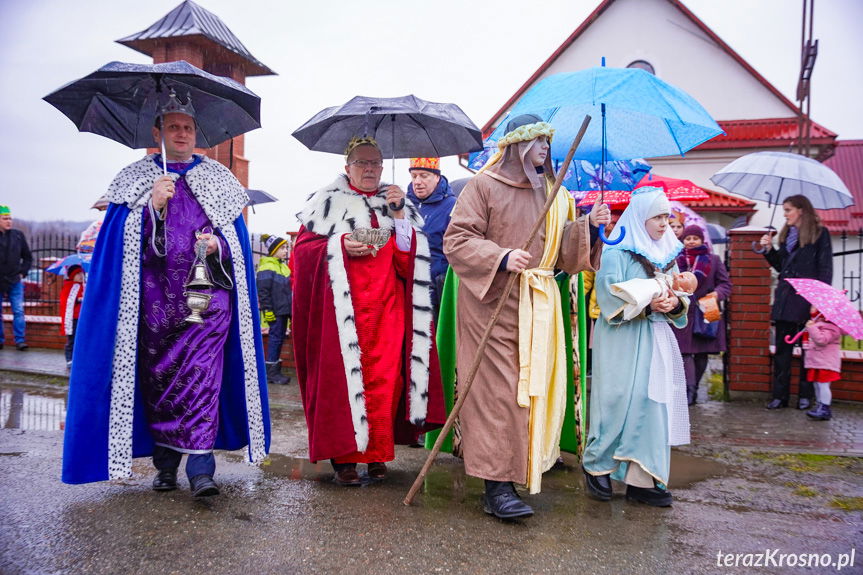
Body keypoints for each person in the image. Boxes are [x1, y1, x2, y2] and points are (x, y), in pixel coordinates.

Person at [62, 92, 270, 497]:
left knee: (203, 381)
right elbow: (119, 248)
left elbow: (238, 244)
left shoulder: (218, 179)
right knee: (162, 387)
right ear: (158, 132)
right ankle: (166, 465)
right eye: (173, 127)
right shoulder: (136, 180)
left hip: (207, 304)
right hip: (155, 311)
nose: (182, 134)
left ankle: (202, 469)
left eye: (188, 128)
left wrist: (218, 246)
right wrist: (153, 209)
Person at [442, 114, 609, 519]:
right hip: (492, 305)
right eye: (538, 142)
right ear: (517, 145)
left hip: (538, 305)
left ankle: (522, 470)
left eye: (548, 142)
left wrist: (589, 227)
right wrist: (500, 256)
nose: (545, 149)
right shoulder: (484, 185)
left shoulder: (556, 193)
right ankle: (497, 486)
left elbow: (563, 254)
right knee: (498, 394)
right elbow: (457, 239)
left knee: (531, 391)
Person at [291, 136, 445, 486]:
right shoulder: (326, 202)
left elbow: (410, 261)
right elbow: (303, 253)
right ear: (348, 168)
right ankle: (344, 458)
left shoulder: (395, 202)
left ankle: (377, 454)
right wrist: (340, 244)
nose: (370, 169)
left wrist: (400, 214)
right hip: (341, 315)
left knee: (386, 384)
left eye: (375, 162)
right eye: (362, 163)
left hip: (387, 313)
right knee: (342, 386)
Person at [582, 186, 689, 508]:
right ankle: (597, 465)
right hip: (621, 339)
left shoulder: (667, 253)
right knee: (616, 401)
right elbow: (607, 298)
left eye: (667, 217)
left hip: (655, 339)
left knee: (651, 404)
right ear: (641, 217)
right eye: (657, 217)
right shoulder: (615, 252)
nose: (664, 224)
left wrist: (673, 303)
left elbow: (678, 293)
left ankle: (642, 478)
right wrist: (645, 304)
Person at [759, 194, 832, 411]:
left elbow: (825, 268)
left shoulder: (820, 234)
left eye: (788, 210)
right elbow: (781, 267)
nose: (785, 214)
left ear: (801, 210)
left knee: (808, 352)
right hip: (785, 299)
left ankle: (805, 396)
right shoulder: (786, 235)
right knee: (783, 351)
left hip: (807, 300)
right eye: (784, 210)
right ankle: (779, 396)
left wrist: (819, 300)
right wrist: (769, 250)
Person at [673, 224, 732, 405]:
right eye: (688, 238)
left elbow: (725, 284)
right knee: (685, 353)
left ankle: (696, 387)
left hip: (707, 308)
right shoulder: (675, 260)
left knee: (702, 353)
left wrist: (715, 294)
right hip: (683, 310)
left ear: (702, 240)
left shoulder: (713, 260)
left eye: (695, 238)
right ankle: (689, 391)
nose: (691, 241)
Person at [406, 157, 457, 321]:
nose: (417, 182)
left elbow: (457, 249)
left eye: (424, 175)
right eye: (414, 176)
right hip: (407, 287)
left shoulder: (453, 206)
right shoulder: (404, 206)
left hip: (437, 291)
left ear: (437, 176)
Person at [257, 234, 292, 385]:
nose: (286, 251)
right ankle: (271, 373)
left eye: (286, 248)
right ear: (274, 250)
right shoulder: (267, 266)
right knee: (275, 340)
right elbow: (263, 292)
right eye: (282, 248)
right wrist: (267, 311)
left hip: (284, 311)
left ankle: (275, 371)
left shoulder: (284, 267)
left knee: (279, 340)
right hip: (275, 312)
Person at [0, 205, 32, 351]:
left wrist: (22, 273)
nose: (9, 221)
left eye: (10, 218)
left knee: (18, 310)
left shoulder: (18, 235)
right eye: (5, 218)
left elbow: (27, 257)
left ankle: (20, 340)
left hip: (15, 280)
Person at [802, 308, 841, 421]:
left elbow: (821, 340)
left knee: (823, 385)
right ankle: (819, 405)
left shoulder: (831, 328)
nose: (812, 308)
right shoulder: (819, 324)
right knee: (817, 384)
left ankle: (825, 407)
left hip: (825, 362)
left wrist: (811, 328)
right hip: (817, 361)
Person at [59, 264, 85, 368]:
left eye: (81, 273)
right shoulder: (69, 286)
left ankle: (80, 358)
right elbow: (67, 301)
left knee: (82, 338)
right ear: (72, 276)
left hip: (83, 318)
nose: (81, 275)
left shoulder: (84, 286)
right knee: (72, 339)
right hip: (74, 318)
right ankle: (69, 358)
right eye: (77, 274)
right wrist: (79, 299)